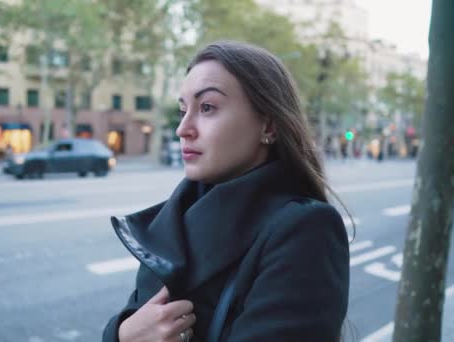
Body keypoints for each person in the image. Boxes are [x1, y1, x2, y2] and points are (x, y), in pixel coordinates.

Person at [103, 41, 350, 342]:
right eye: (183, 110)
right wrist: (122, 334)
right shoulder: (173, 221)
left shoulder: (305, 230)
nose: (183, 128)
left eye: (207, 108)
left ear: (269, 127)